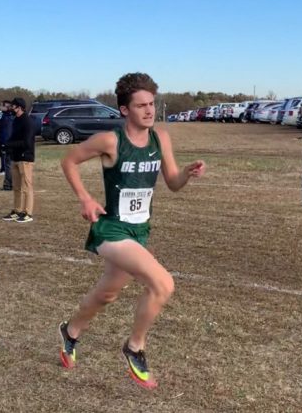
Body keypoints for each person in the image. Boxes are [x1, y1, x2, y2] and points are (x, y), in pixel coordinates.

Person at [57, 73, 206, 389]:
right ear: (125, 110)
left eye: (152, 104)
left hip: (139, 231)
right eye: (141, 106)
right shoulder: (111, 141)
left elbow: (173, 183)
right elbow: (69, 161)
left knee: (107, 293)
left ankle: (70, 331)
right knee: (163, 284)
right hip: (110, 229)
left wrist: (187, 173)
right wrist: (85, 198)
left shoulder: (160, 139)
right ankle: (134, 346)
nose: (149, 111)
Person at [1, 97, 36, 223]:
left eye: (13, 106)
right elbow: (13, 137)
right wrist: (7, 147)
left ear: (19, 107)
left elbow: (26, 142)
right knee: (16, 187)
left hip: (25, 158)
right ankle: (17, 210)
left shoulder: (27, 121)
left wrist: (10, 144)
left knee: (27, 186)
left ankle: (28, 212)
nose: (11, 108)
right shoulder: (16, 120)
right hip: (15, 157)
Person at [0, 100, 14, 190]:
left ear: (6, 107)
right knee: (8, 164)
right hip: (6, 143)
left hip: (7, 144)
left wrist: (4, 144)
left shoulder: (8, 117)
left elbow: (6, 132)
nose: (0, 107)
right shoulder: (5, 116)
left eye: (1, 105)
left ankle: (8, 184)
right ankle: (9, 183)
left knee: (8, 164)